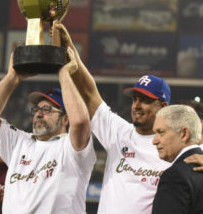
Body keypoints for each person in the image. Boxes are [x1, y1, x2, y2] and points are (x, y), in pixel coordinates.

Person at [52, 21, 170, 214]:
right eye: (135, 99)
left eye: (146, 100)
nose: (137, 105)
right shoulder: (120, 132)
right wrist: (69, 46)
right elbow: (89, 93)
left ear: (163, 106)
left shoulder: (173, 149)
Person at [0, 47, 96, 213]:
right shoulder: (19, 142)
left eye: (47, 110)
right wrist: (12, 78)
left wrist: (64, 75)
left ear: (65, 119)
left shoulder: (71, 147)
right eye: (36, 110)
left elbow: (81, 122)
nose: (39, 114)